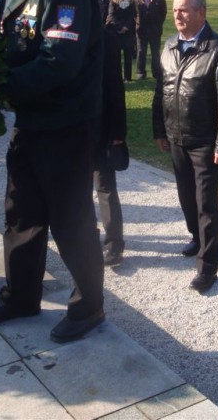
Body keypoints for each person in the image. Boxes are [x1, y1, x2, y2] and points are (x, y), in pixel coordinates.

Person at [0, 0, 106, 343]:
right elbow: (11, 45)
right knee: (21, 213)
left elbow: (59, 63)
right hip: (33, 120)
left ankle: (89, 307)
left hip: (65, 124)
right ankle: (21, 296)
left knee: (71, 222)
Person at [153, 0, 218, 293]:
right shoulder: (169, 46)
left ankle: (208, 265)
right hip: (176, 136)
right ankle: (197, 237)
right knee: (186, 196)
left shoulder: (217, 49)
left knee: (206, 204)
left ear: (201, 13)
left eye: (184, 10)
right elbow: (161, 91)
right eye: (175, 9)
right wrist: (159, 130)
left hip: (205, 140)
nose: (178, 15)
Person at [95, 27, 128, 268]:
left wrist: (118, 132)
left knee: (105, 187)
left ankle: (114, 242)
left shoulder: (105, 37)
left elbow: (116, 86)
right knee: (74, 190)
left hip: (100, 126)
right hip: (69, 127)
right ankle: (83, 237)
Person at [134, 0, 167, 80]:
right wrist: (137, 23)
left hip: (155, 29)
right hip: (141, 29)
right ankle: (140, 72)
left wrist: (158, 23)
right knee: (141, 51)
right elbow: (134, 13)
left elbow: (163, 11)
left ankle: (156, 72)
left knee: (155, 52)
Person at [106, 0, 136, 82]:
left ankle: (128, 77)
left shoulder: (131, 1)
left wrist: (126, 27)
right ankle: (117, 77)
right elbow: (111, 16)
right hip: (116, 32)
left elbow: (132, 15)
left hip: (128, 32)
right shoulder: (113, 1)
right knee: (116, 57)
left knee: (128, 56)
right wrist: (120, 27)